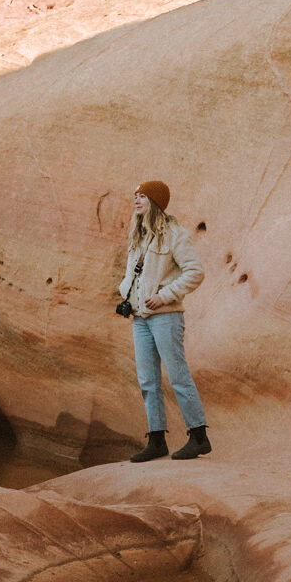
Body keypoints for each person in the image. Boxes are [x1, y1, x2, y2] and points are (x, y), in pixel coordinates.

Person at [118, 180, 211, 461]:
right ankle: (157, 440)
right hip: (140, 317)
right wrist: (126, 294)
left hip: (166, 316)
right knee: (147, 380)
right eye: (135, 196)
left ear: (155, 202)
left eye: (142, 197)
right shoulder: (138, 235)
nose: (136, 201)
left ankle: (199, 437)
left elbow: (195, 271)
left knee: (178, 376)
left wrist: (165, 295)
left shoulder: (174, 234)